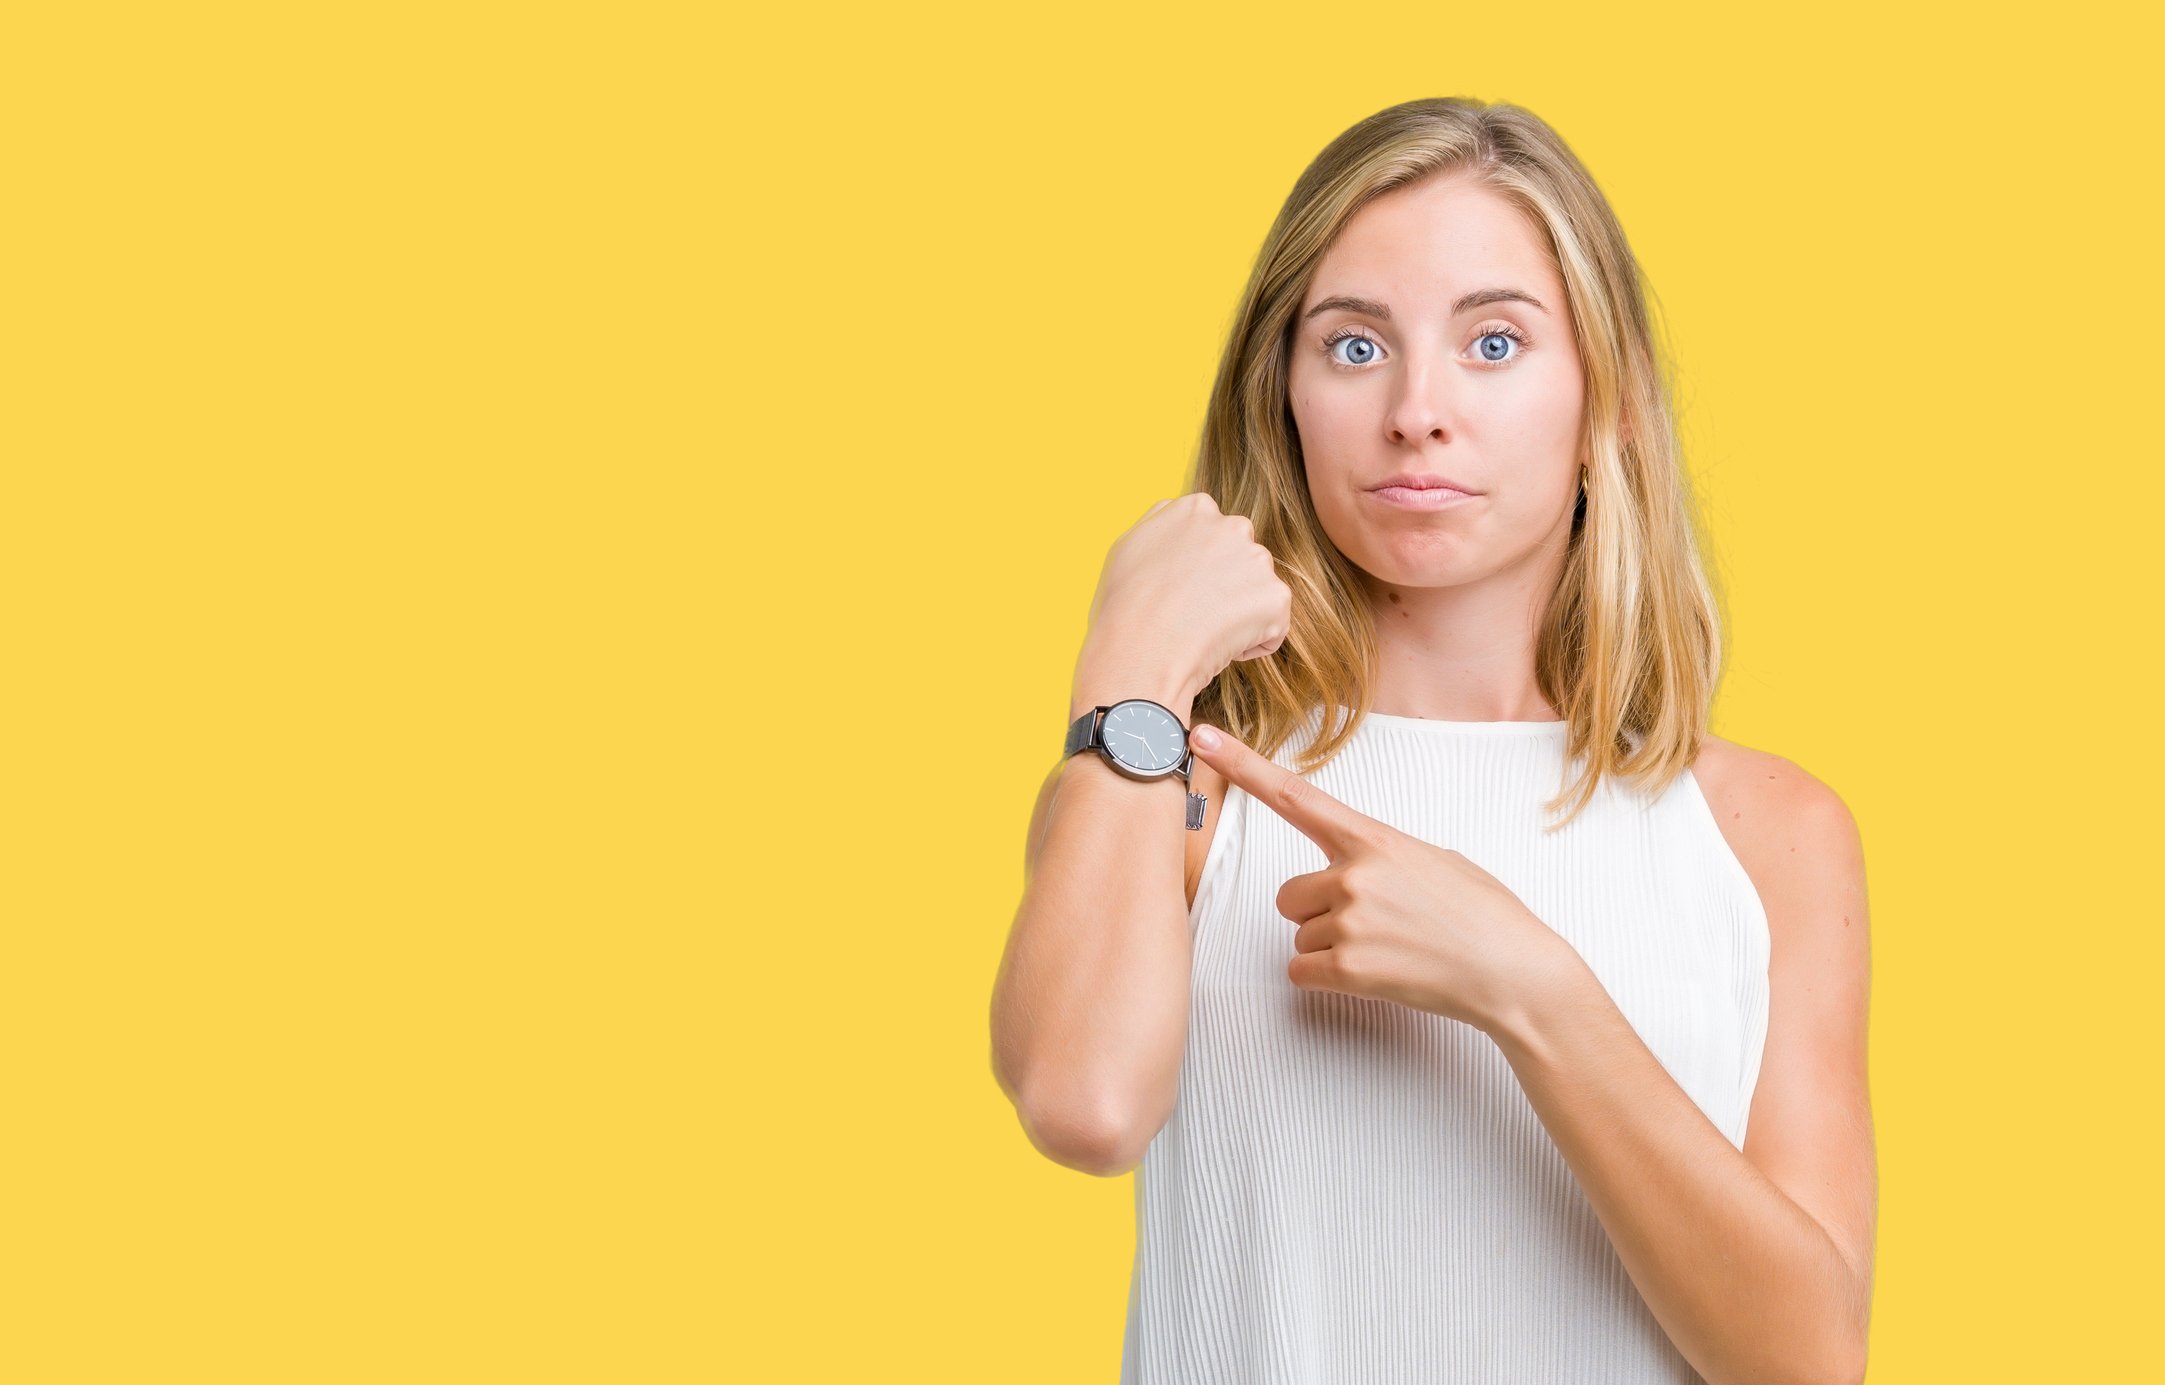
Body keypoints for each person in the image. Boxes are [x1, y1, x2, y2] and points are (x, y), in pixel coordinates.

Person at [989, 96, 1876, 1385]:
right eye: (1353, 349)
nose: (1417, 411)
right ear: (1282, 396)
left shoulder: (1767, 836)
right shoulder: (1176, 785)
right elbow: (1081, 1106)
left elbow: (1806, 1358)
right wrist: (1130, 663)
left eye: (1496, 343)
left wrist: (1528, 987)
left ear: (1609, 403)